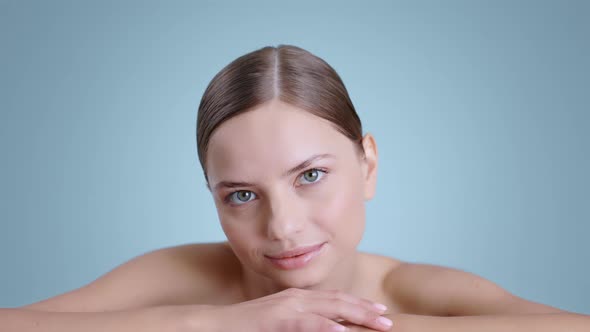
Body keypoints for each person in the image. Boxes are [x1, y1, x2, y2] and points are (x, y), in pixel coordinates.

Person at [1, 44, 588, 332]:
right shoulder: (179, 280)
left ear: (369, 165)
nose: (281, 227)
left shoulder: (417, 292)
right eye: (241, 194)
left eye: (310, 176)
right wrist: (211, 323)